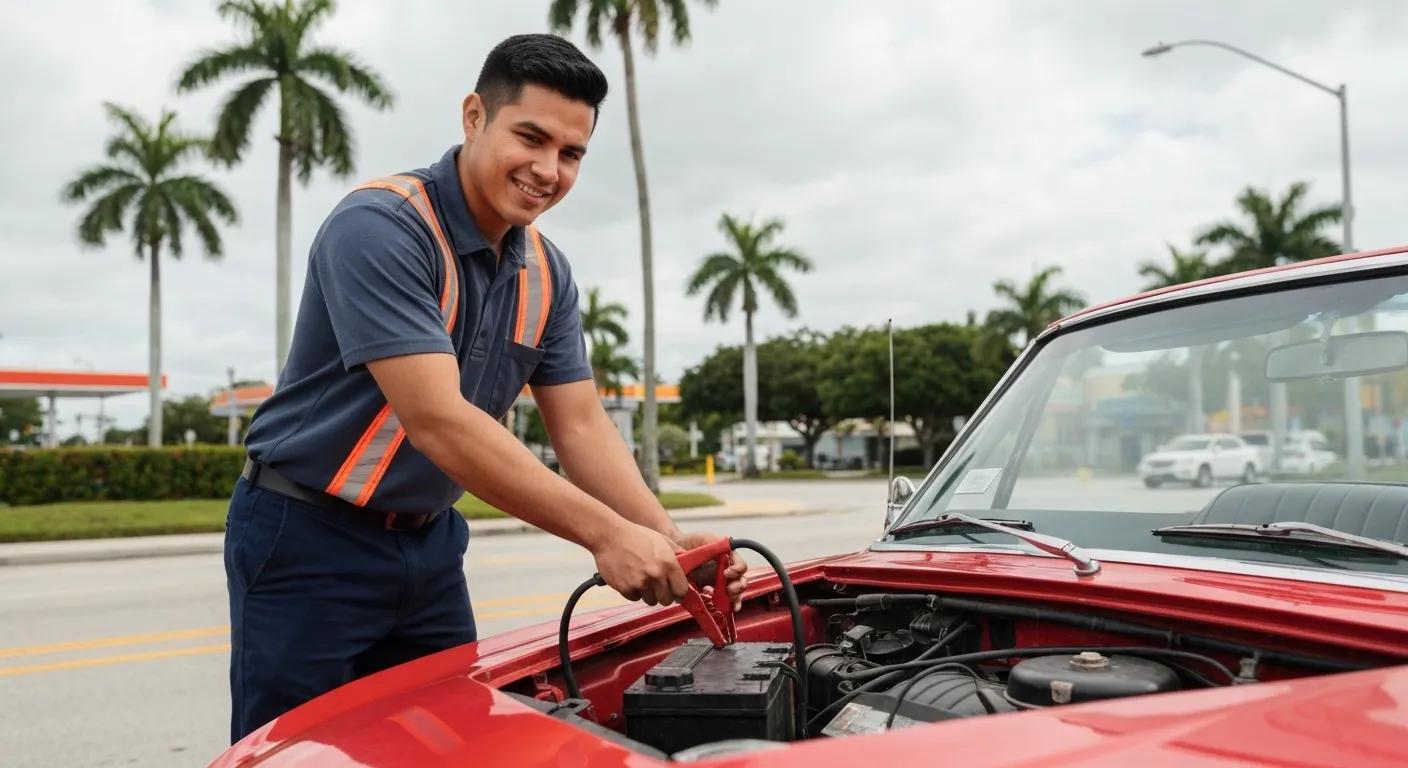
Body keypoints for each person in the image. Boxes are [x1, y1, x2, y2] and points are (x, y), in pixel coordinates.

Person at [224, 33, 746, 743]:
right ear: (474, 117)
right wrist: (605, 536)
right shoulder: (381, 227)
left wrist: (667, 540)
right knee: (298, 750)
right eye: (530, 137)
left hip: (430, 547)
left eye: (570, 154)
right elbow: (439, 422)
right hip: (307, 535)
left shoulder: (547, 272)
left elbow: (583, 426)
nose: (547, 170)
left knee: (446, 742)